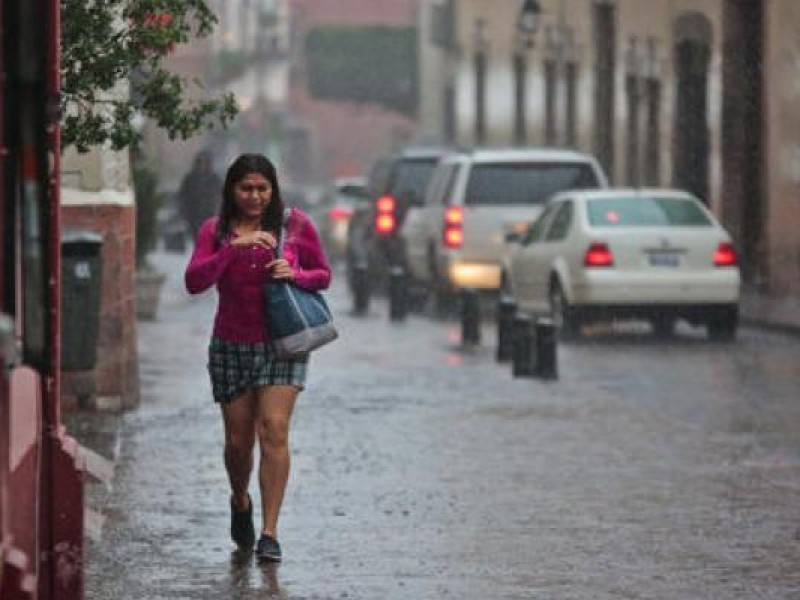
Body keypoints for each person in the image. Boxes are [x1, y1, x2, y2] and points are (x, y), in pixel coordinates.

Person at [184, 154, 332, 562]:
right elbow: (195, 281)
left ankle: (270, 532)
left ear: (273, 190)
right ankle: (239, 501)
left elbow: (323, 274)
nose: (254, 196)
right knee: (237, 444)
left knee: (275, 428)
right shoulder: (215, 232)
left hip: (283, 343)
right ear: (232, 190)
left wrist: (296, 275)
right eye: (246, 188)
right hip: (231, 344)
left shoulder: (296, 225)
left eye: (262, 188)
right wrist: (235, 248)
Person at [178, 150, 223, 241]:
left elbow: (221, 195)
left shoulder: (215, 179)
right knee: (198, 240)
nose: (202, 165)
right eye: (200, 162)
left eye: (204, 162)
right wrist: (184, 213)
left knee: (210, 240)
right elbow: (182, 197)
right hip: (194, 215)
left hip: (210, 214)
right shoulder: (190, 179)